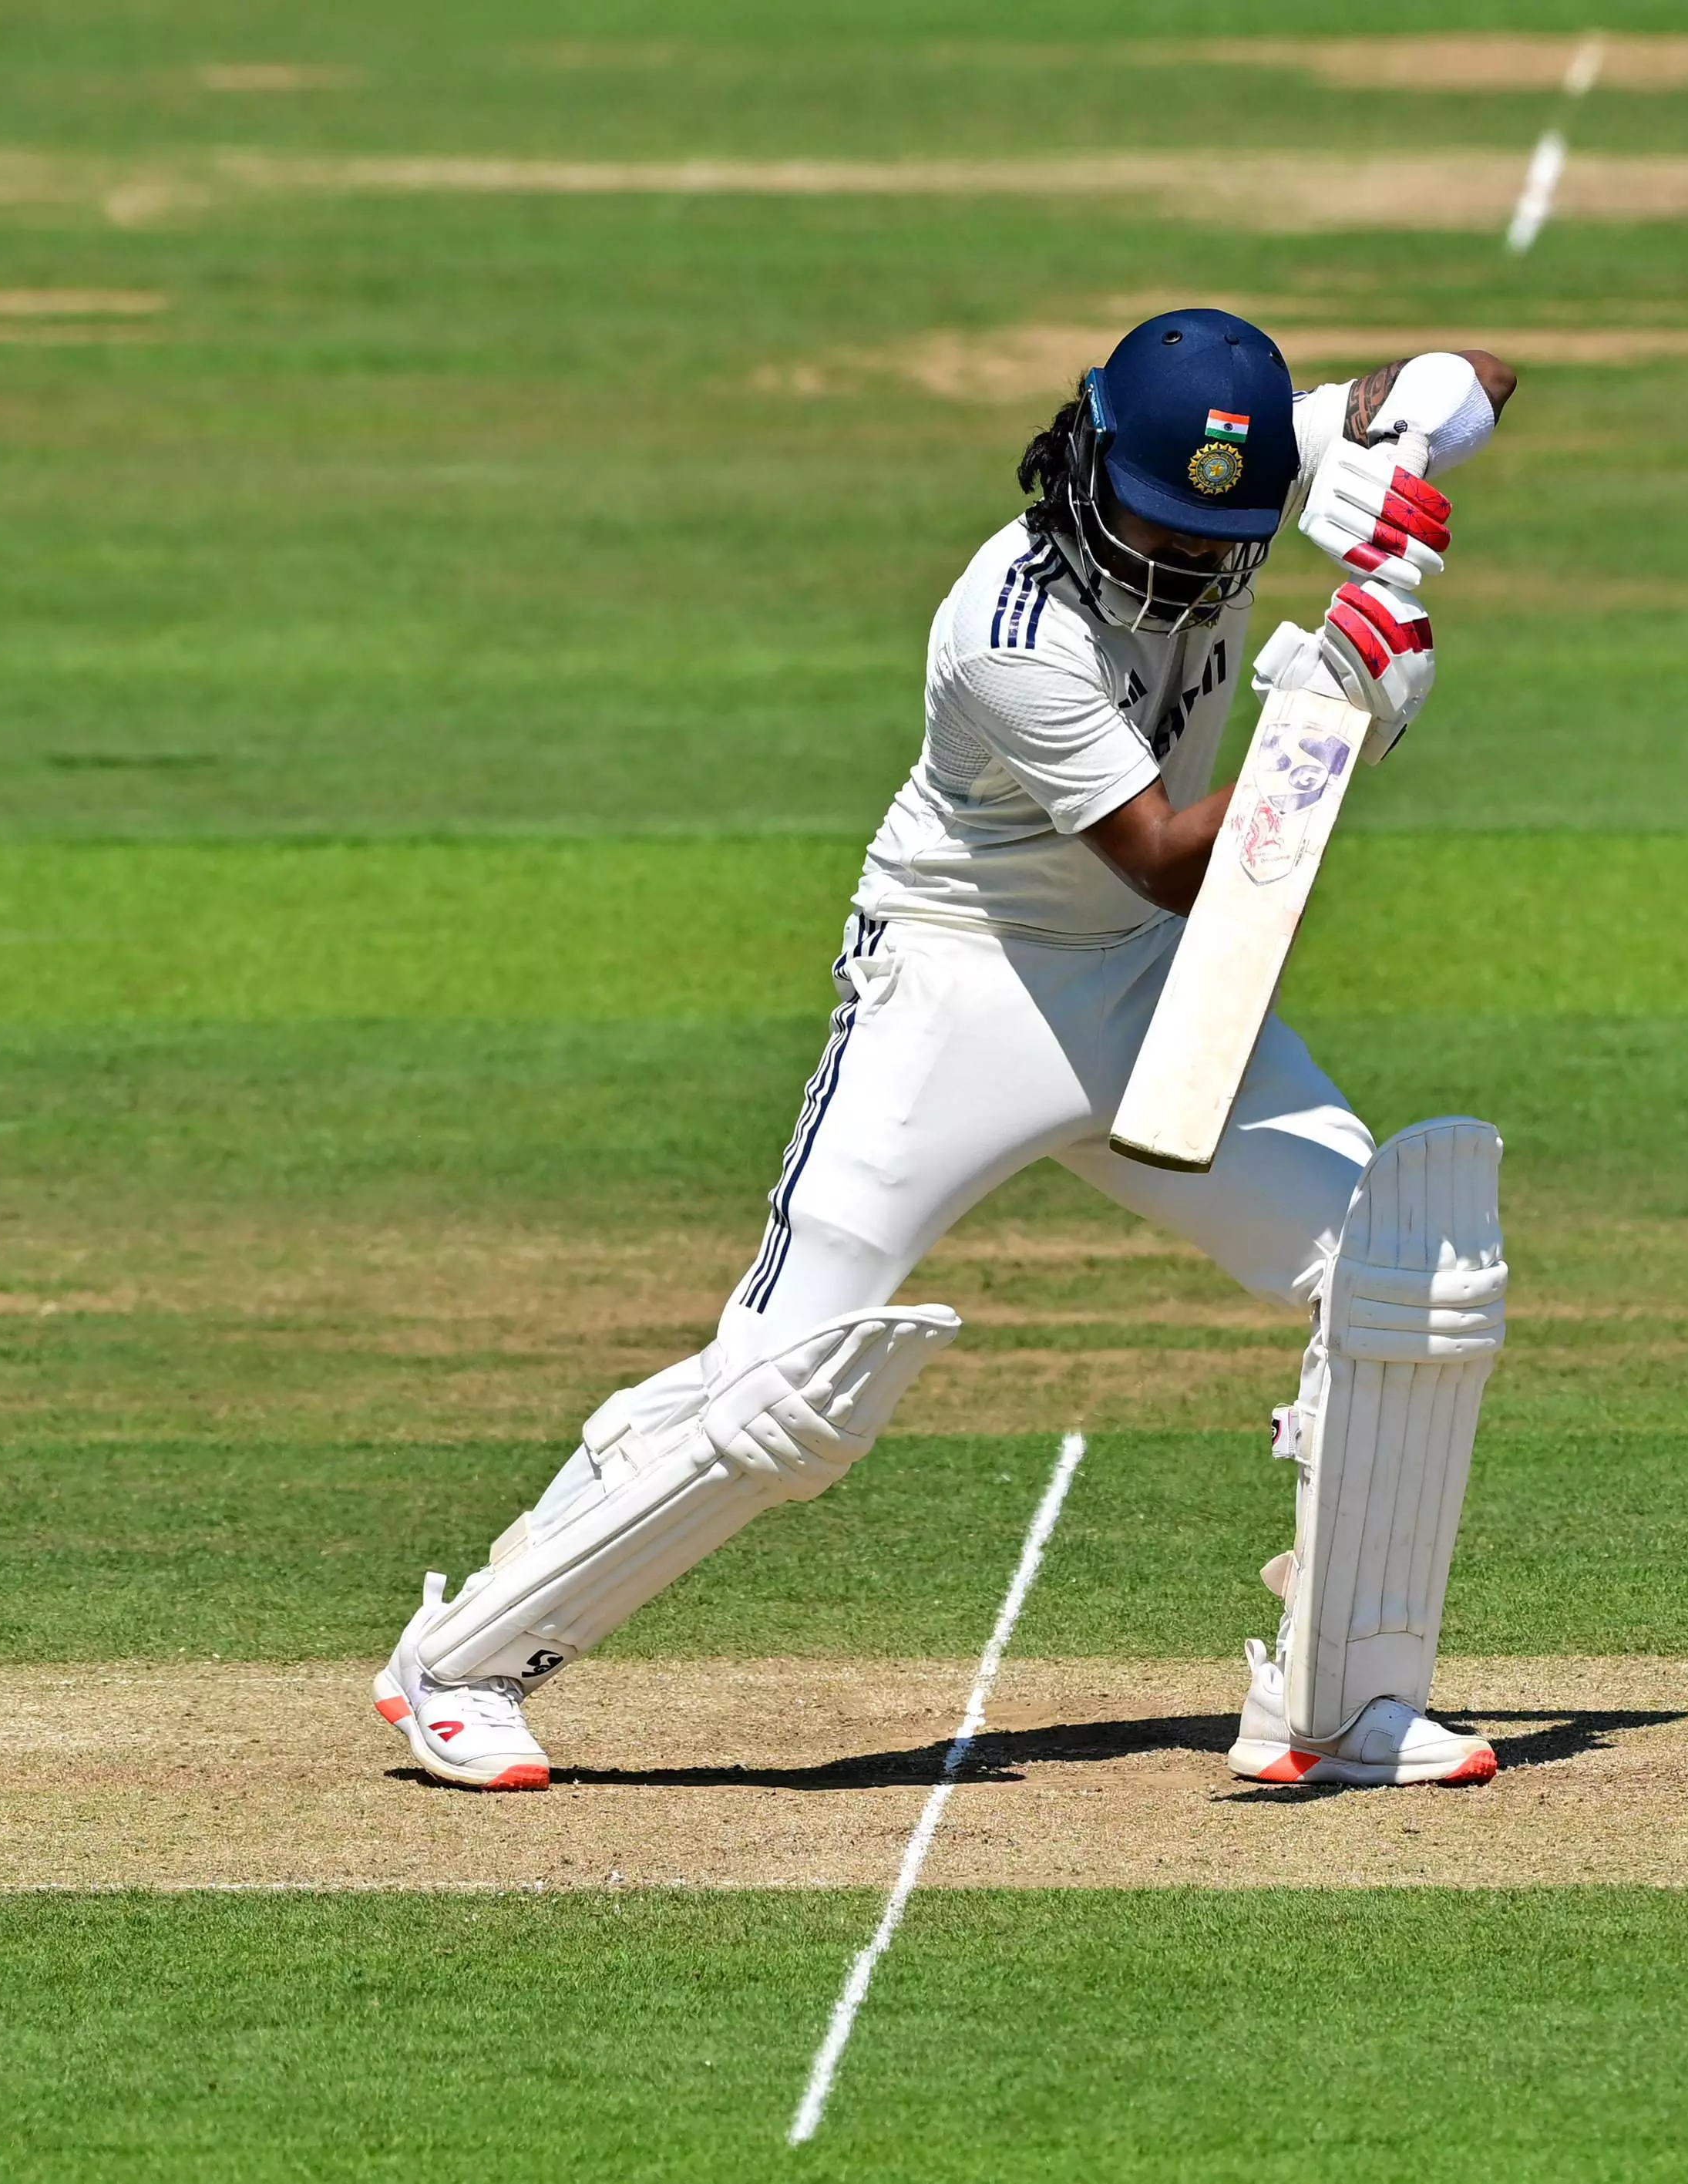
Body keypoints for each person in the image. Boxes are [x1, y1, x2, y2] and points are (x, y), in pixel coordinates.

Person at [375, 309, 1518, 1792]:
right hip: (958, 987)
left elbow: (1475, 370)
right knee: (789, 1390)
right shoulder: (1009, 630)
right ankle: (458, 1665)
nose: (1178, 564)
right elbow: (1173, 860)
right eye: (1154, 526)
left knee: (1404, 1267)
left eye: (1207, 538)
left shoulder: (1239, 471)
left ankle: (1338, 1700)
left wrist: (1402, 442)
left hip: (1153, 990)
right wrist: (1334, 707)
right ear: (1090, 460)